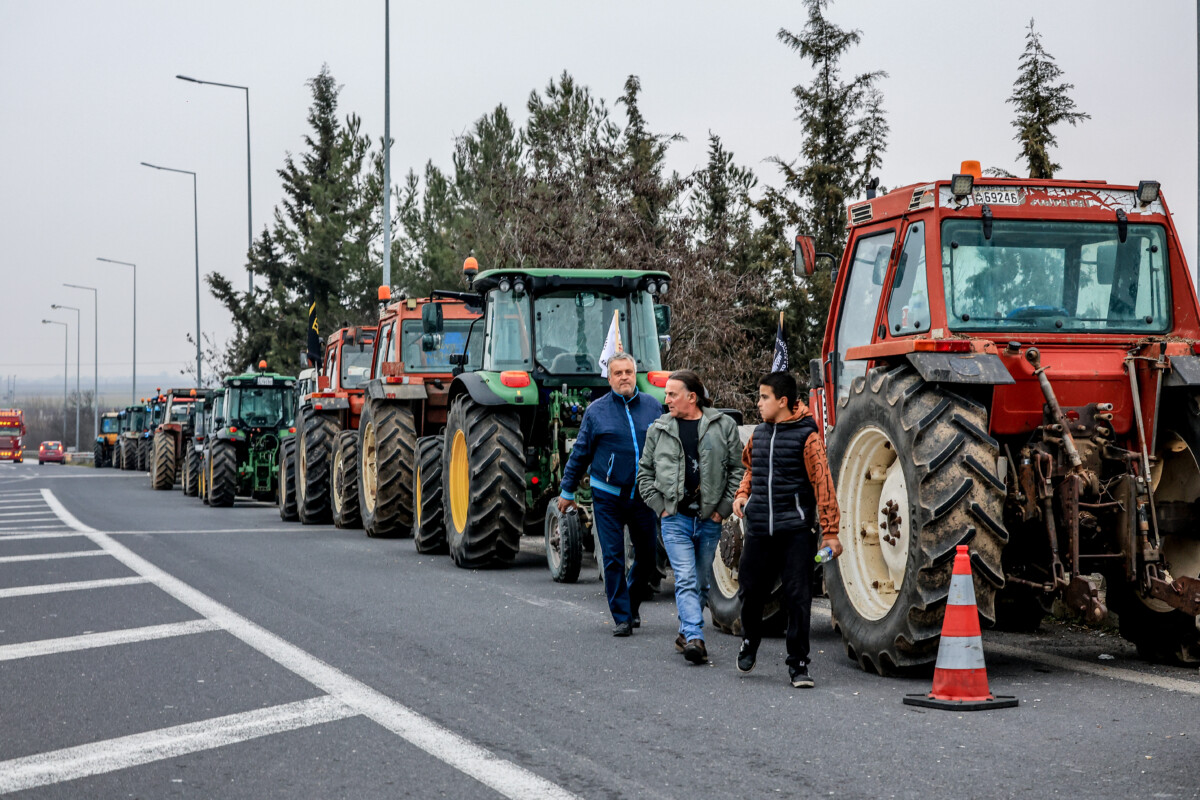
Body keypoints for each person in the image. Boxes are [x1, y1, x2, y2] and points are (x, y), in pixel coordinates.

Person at [732, 371, 842, 688]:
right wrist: (742, 494)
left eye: (764, 397)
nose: (758, 403)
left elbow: (824, 485)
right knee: (751, 591)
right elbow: (753, 469)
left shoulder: (808, 438)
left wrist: (831, 533)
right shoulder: (759, 434)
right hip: (759, 531)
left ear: (782, 401)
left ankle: (798, 664)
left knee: (797, 598)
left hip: (795, 532)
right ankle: (750, 640)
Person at [638, 370, 743, 665]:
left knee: (700, 583)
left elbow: (738, 469)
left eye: (672, 394)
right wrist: (660, 506)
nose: (666, 399)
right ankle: (695, 636)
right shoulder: (658, 429)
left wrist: (721, 510)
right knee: (684, 578)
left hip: (709, 520)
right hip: (675, 519)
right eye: (667, 394)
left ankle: (685, 632)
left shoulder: (723, 426)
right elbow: (644, 473)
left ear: (691, 397)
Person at [557, 352, 662, 636]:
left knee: (648, 557)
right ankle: (622, 618)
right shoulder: (596, 412)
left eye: (629, 371)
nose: (624, 377)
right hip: (607, 496)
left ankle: (631, 603)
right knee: (614, 556)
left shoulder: (653, 407)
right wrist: (567, 491)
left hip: (643, 495)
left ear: (635, 373)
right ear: (609, 377)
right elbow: (580, 453)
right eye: (618, 373)